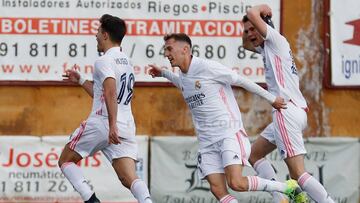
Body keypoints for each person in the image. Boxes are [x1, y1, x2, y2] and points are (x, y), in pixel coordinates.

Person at [147, 33, 307, 203]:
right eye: (165, 50)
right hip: (206, 142)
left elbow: (242, 81)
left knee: (236, 183)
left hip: (228, 134)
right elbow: (183, 83)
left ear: (185, 49)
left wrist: (272, 99)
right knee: (217, 189)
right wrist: (163, 73)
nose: (166, 54)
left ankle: (287, 188)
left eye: (169, 49)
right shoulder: (185, 76)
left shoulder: (207, 67)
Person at [242, 4, 335, 203]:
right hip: (294, 111)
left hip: (286, 111)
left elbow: (252, 12)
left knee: (298, 175)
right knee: (254, 154)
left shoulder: (274, 39)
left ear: (265, 26)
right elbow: (246, 45)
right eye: (246, 30)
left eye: (253, 28)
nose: (250, 34)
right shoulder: (269, 47)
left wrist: (262, 9)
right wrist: (248, 29)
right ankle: (281, 196)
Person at [58, 14, 152, 203]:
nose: (96, 36)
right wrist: (81, 80)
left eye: (98, 31)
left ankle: (91, 200)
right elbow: (105, 94)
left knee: (66, 160)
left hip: (104, 123)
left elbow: (110, 93)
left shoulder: (103, 61)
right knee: (129, 178)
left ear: (106, 35)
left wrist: (111, 126)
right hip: (126, 125)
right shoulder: (127, 61)